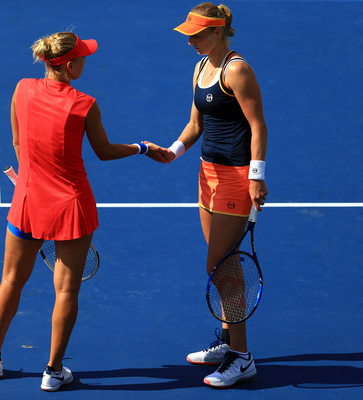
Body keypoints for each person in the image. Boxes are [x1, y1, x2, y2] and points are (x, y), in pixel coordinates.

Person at [0, 31, 171, 392]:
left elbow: (17, 142)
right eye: (83, 58)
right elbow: (104, 151)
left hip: (27, 201)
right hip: (71, 207)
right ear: (70, 64)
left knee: (11, 279)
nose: (86, 62)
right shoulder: (85, 104)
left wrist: (31, 177)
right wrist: (142, 147)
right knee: (66, 292)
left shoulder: (22, 89)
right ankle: (53, 371)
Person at [160, 2, 269, 388]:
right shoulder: (200, 67)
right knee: (225, 266)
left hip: (237, 178)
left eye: (197, 34)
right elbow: (195, 124)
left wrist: (256, 177)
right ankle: (227, 341)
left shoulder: (236, 69)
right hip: (208, 176)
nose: (190, 41)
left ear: (218, 31)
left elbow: (258, 126)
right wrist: (172, 151)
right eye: (188, 34)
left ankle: (242, 358)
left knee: (220, 266)